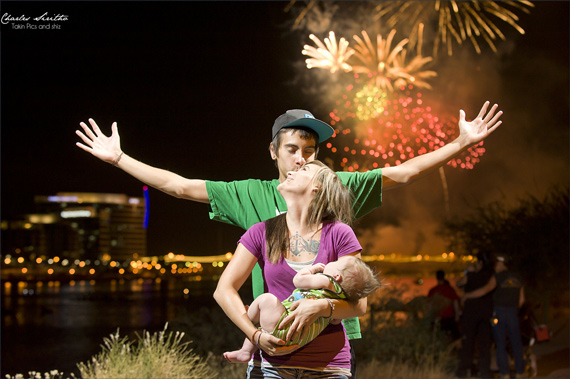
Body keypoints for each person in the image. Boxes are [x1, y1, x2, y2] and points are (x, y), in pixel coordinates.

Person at [75, 103, 503, 377]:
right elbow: (179, 186)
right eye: (294, 148)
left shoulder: (332, 185)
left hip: (330, 349)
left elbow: (402, 173)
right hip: (273, 351)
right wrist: (119, 159)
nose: (304, 156)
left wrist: (461, 143)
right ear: (274, 151)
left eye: (311, 149)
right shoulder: (253, 195)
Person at [214, 160, 370, 378]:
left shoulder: (340, 233)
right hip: (270, 365)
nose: (290, 171)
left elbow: (360, 305)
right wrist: (255, 336)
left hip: (327, 365)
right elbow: (223, 290)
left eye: (304, 170)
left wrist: (321, 307)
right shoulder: (261, 232)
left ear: (318, 187)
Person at [224, 256, 382, 364]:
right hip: (298, 339)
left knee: (266, 299)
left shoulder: (327, 281)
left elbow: (298, 280)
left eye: (335, 261)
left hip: (285, 322)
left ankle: (247, 341)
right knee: (265, 311)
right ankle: (246, 349)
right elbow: (335, 320)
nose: (330, 261)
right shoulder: (340, 299)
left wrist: (312, 270)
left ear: (337, 276)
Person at [463, 254, 526, 379]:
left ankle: (505, 373)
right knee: (516, 342)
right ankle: (520, 372)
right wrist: (513, 309)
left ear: (502, 264)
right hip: (513, 313)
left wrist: (467, 296)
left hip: (499, 312)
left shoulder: (497, 277)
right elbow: (522, 300)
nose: (495, 266)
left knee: (500, 343)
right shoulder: (518, 277)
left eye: (497, 264)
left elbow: (485, 290)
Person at [456, 254, 495, 379]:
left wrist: (468, 271)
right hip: (485, 313)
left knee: (467, 342)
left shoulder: (471, 276)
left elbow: (459, 283)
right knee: (484, 344)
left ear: (480, 264)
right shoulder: (490, 277)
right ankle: (484, 371)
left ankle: (464, 370)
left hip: (471, 314)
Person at [428, 269, 460, 340]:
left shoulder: (433, 291)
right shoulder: (450, 289)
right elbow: (455, 303)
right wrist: (457, 315)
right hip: (449, 319)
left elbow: (429, 306)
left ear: (436, 277)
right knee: (454, 338)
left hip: (437, 319)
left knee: (437, 338)